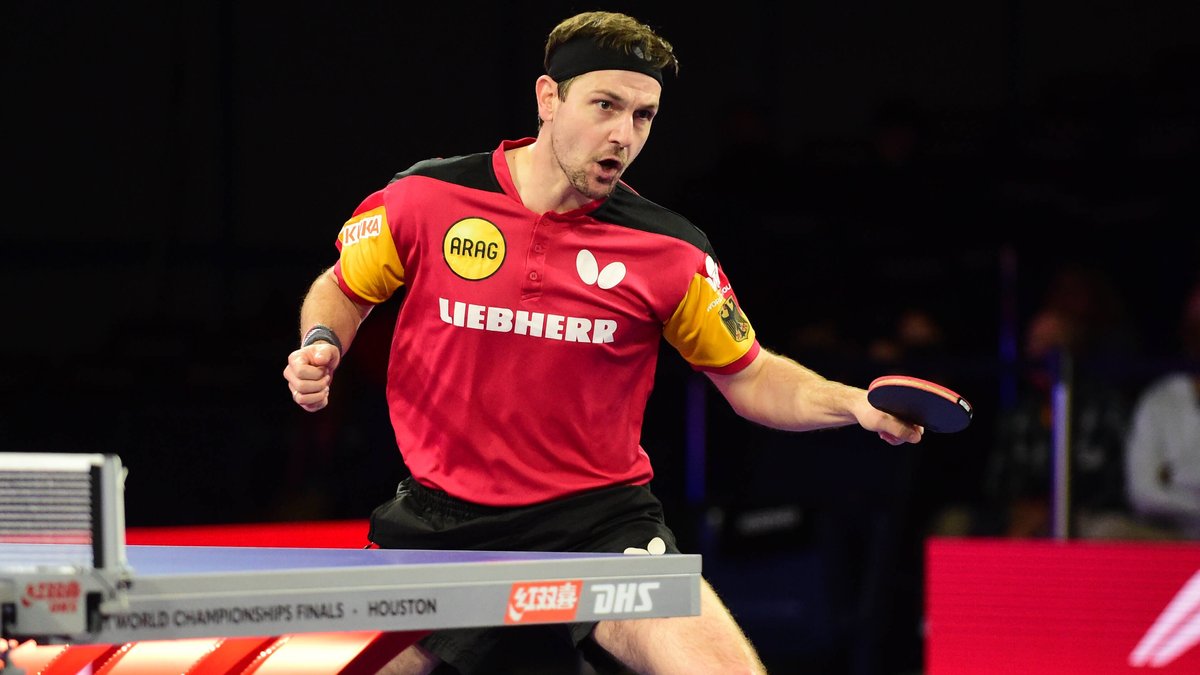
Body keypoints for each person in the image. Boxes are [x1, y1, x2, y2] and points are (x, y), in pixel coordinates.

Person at [281, 11, 922, 675]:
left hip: (597, 528)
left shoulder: (669, 249)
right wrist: (323, 339)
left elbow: (752, 376)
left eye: (643, 116)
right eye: (606, 106)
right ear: (548, 98)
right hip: (442, 528)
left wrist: (853, 404)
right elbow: (344, 286)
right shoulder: (426, 198)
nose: (623, 134)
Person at [1125, 282, 1200, 539]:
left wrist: (1174, 479)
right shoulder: (1160, 400)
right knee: (1108, 530)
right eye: (1197, 328)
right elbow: (1143, 493)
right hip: (1169, 536)